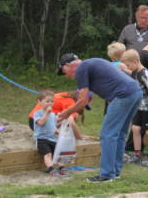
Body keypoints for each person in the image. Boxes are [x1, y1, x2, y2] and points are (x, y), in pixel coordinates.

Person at [57, 53, 142, 183]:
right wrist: (79, 106)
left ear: (68, 65)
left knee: (107, 134)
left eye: (64, 71)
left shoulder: (81, 69)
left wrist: (67, 112)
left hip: (123, 95)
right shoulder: (90, 63)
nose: (66, 76)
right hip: (136, 92)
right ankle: (115, 171)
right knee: (119, 134)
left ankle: (107, 174)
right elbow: (87, 96)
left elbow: (83, 99)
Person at [121, 49, 148, 167]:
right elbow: (132, 75)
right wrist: (125, 69)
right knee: (135, 129)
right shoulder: (135, 71)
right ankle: (137, 154)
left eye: (128, 65)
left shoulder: (144, 73)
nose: (128, 67)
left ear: (135, 61)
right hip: (139, 105)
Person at [33, 90, 81, 177]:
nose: (50, 103)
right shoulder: (37, 113)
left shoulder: (52, 115)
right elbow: (40, 123)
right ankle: (51, 169)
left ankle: (62, 168)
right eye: (47, 101)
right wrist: (47, 113)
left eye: (52, 101)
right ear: (39, 102)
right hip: (42, 139)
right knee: (48, 154)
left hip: (52, 138)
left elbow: (53, 125)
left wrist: (57, 131)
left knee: (60, 154)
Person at [118, 5, 148, 71]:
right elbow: (119, 51)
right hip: (129, 70)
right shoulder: (127, 29)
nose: (144, 20)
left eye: (146, 18)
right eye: (141, 18)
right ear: (136, 16)